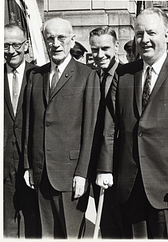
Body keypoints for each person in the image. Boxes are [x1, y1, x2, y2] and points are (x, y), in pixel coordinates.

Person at [96, 7, 168, 239]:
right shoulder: (124, 74)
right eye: (139, 34)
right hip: (129, 185)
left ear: (166, 35)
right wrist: (104, 168)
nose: (144, 40)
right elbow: (110, 125)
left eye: (151, 33)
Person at [23, 18, 100, 239]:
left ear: (72, 41)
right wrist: (29, 164)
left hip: (70, 174)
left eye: (61, 38)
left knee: (71, 234)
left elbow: (90, 129)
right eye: (50, 38)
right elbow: (31, 123)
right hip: (40, 171)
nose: (56, 44)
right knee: (46, 235)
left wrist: (82, 173)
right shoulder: (35, 76)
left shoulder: (87, 76)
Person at [4, 24, 41, 238]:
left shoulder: (39, 75)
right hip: (4, 165)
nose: (11, 51)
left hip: (31, 164)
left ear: (26, 45)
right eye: (6, 45)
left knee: (33, 225)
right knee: (7, 224)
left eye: (16, 45)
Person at [87, 26, 124, 238]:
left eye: (105, 48)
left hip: (119, 162)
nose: (100, 55)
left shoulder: (129, 75)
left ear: (116, 46)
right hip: (94, 160)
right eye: (94, 49)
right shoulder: (90, 76)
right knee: (105, 223)